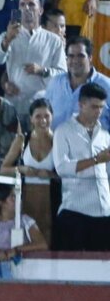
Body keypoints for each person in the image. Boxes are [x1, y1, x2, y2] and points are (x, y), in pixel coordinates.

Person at [52, 82, 110, 252]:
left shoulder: (105, 136)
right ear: (81, 104)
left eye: (101, 107)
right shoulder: (63, 131)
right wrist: (95, 160)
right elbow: (62, 167)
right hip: (75, 210)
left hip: (105, 211)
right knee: (73, 266)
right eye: (94, 107)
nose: (98, 112)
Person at [0, 0, 63, 118]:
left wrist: (42, 70)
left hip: (41, 108)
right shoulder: (6, 36)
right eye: (22, 5)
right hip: (13, 104)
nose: (26, 8)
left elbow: (62, 75)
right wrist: (7, 39)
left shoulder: (53, 40)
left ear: (40, 10)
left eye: (31, 4)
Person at [0, 98, 57, 245]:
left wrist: (51, 175)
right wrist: (22, 169)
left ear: (52, 116)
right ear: (31, 118)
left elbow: (69, 173)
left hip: (51, 201)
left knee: (49, 242)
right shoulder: (22, 140)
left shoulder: (58, 140)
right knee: (25, 242)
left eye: (46, 116)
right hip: (26, 198)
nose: (43, 120)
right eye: (38, 116)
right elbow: (3, 170)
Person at [45, 37, 110, 134]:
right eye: (71, 56)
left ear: (90, 57)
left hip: (94, 148)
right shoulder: (55, 83)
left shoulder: (106, 85)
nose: (75, 60)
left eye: (80, 56)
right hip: (56, 146)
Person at [0, 185, 47, 278]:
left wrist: (15, 250)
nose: (18, 200)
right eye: (12, 197)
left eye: (18, 197)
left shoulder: (25, 221)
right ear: (1, 202)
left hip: (20, 271)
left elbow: (42, 244)